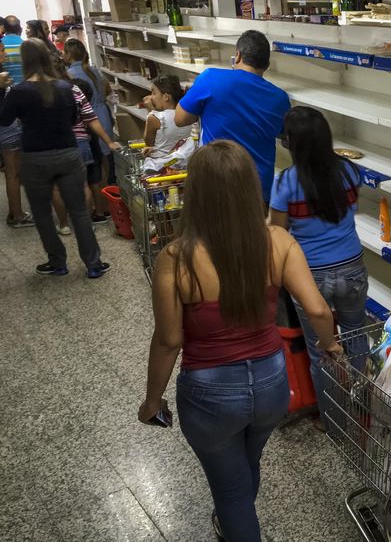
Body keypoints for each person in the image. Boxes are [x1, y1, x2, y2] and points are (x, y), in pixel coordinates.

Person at [137, 140, 342, 541]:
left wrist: (152, 400)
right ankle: (234, 520)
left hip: (209, 393)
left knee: (230, 489)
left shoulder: (175, 258)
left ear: (196, 193)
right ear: (251, 187)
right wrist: (330, 346)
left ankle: (236, 524)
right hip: (271, 385)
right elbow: (318, 310)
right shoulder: (278, 242)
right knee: (248, 463)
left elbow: (169, 340)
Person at [269, 106, 368, 432]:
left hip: (310, 275)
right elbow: (349, 210)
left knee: (322, 351)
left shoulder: (286, 182)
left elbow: (279, 233)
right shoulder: (350, 171)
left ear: (290, 142)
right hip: (353, 266)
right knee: (357, 337)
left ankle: (334, 423)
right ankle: (364, 410)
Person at [0, 39, 112, 277]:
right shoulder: (65, 88)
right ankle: (93, 264)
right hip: (68, 154)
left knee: (42, 214)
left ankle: (57, 262)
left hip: (35, 157)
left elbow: (4, 120)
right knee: (79, 212)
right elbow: (74, 119)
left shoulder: (18, 92)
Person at [175, 30, 290, 207]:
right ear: (267, 65)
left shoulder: (210, 78)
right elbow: (282, 134)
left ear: (237, 56)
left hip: (216, 184)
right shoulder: (280, 98)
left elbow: (180, 119)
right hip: (258, 190)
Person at [54, 77, 118, 235]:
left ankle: (64, 224)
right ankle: (89, 221)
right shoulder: (77, 93)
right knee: (86, 184)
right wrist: (109, 142)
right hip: (83, 145)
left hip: (60, 145)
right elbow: (92, 119)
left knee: (58, 187)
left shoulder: (48, 92)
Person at [64, 38, 113, 222]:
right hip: (103, 114)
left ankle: (94, 206)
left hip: (87, 119)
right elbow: (107, 90)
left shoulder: (70, 74)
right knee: (104, 161)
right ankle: (107, 204)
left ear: (68, 54)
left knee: (92, 168)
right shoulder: (94, 70)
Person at [0, 38, 32, 227]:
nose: (5, 54)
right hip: (7, 129)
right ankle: (17, 215)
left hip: (7, 128)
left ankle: (15, 213)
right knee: (13, 173)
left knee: (12, 172)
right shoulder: (1, 76)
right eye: (2, 50)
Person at [142, 75, 192, 158]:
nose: (151, 97)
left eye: (154, 93)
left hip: (160, 163)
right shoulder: (187, 115)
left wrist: (151, 111)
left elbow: (148, 143)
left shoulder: (153, 118)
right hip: (182, 162)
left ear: (166, 97)